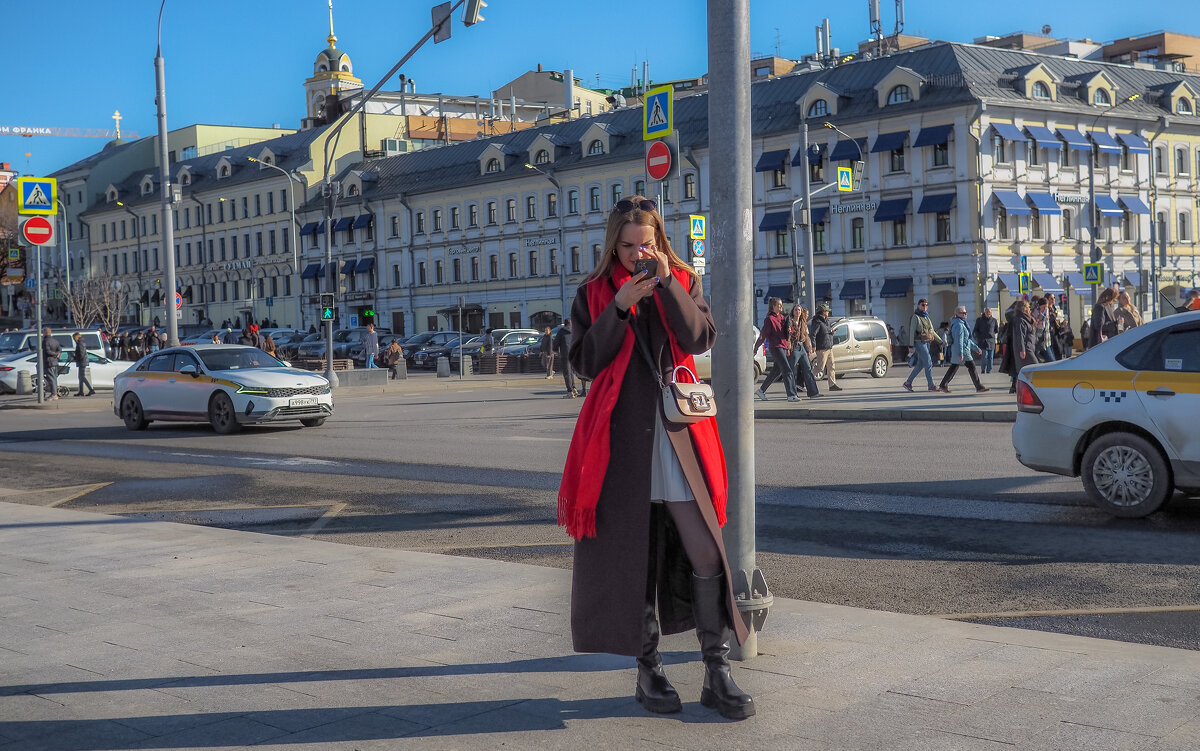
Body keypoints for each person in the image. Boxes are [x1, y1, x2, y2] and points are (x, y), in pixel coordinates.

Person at [558, 195, 754, 720]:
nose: (635, 254)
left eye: (645, 244)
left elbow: (698, 338)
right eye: (626, 246)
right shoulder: (595, 293)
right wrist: (619, 306)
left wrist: (666, 283)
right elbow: (584, 362)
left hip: (679, 435)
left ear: (659, 241)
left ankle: (717, 671)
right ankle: (650, 670)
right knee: (635, 556)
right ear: (612, 245)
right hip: (620, 440)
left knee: (706, 550)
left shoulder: (683, 280)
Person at [753, 297, 797, 402]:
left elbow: (787, 333)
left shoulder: (783, 318)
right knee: (787, 369)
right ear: (773, 306)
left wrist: (790, 330)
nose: (781, 307)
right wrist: (756, 347)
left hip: (784, 346)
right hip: (776, 347)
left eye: (781, 305)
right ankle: (791, 395)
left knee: (776, 371)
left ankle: (761, 390)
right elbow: (763, 335)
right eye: (779, 305)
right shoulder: (770, 319)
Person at [938, 307, 989, 394]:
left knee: (954, 367)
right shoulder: (959, 325)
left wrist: (976, 348)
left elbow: (967, 340)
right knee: (971, 367)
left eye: (966, 312)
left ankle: (943, 384)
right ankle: (978, 386)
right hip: (962, 350)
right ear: (958, 314)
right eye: (963, 313)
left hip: (961, 349)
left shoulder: (961, 323)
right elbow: (959, 340)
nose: (966, 314)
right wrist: (960, 353)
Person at [902, 299, 940, 392]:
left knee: (921, 364)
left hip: (927, 342)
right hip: (918, 342)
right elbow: (911, 332)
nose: (925, 307)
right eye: (923, 305)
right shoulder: (915, 317)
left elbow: (932, 331)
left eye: (926, 305)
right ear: (918, 305)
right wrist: (910, 346)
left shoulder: (927, 317)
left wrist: (940, 341)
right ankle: (931, 385)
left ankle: (908, 383)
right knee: (928, 362)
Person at [788, 304, 820, 399]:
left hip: (802, 347)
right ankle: (792, 394)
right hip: (794, 347)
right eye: (796, 310)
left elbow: (806, 337)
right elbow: (788, 337)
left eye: (799, 310)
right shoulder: (790, 322)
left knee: (808, 368)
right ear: (793, 312)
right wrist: (789, 348)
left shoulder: (803, 322)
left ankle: (813, 392)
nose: (797, 312)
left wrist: (809, 348)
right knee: (793, 371)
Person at [1005, 299, 1038, 393]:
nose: (1029, 309)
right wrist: (1022, 350)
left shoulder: (1026, 318)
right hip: (1025, 349)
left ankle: (1024, 388)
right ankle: (1026, 387)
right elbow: (1020, 336)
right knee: (1035, 367)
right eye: (1028, 307)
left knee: (1025, 371)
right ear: (1024, 308)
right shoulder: (1020, 320)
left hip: (1029, 347)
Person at [809, 305, 842, 391]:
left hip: (828, 347)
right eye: (827, 311)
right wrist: (813, 345)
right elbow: (813, 334)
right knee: (820, 367)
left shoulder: (826, 321)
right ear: (823, 312)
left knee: (831, 366)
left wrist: (831, 332)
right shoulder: (817, 322)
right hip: (822, 348)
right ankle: (807, 379)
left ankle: (832, 385)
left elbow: (826, 331)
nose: (828, 312)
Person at [554, 319, 578, 397]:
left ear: (564, 324)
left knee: (567, 372)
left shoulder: (561, 331)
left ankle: (570, 391)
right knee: (571, 372)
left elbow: (556, 342)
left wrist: (555, 350)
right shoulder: (575, 331)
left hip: (565, 354)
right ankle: (574, 388)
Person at [972, 308, 998, 374]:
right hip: (982, 340)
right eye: (987, 312)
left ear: (991, 313)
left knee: (990, 357)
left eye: (989, 312)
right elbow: (975, 330)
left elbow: (996, 330)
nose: (988, 313)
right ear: (984, 312)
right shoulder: (979, 320)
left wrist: (991, 334)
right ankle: (983, 369)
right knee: (984, 356)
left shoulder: (994, 320)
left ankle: (989, 370)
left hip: (991, 341)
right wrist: (978, 336)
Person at [72, 332, 96, 397]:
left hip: (82, 361)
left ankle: (91, 390)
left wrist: (77, 357)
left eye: (74, 338)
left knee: (82, 377)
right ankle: (81, 391)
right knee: (80, 377)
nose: (73, 339)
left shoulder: (80, 343)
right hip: (82, 361)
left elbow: (81, 353)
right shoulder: (80, 342)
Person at [41, 328, 62, 400]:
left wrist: (55, 354)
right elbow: (60, 349)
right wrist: (57, 354)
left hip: (49, 362)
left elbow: (47, 351)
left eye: (43, 332)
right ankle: (55, 393)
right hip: (55, 362)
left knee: (51, 378)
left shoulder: (45, 341)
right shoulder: (55, 341)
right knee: (54, 378)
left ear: (45, 333)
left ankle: (54, 394)